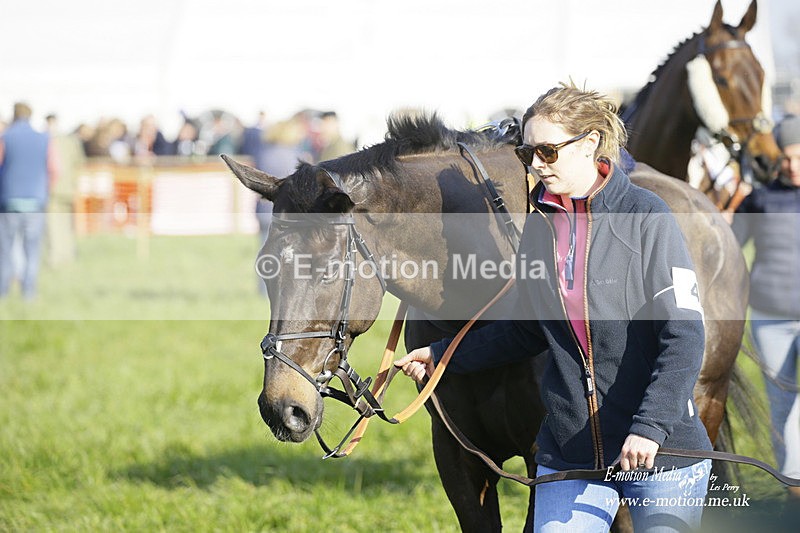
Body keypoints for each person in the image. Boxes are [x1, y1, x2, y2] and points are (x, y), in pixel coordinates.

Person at [395, 83, 713, 531]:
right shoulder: (540, 227)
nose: (537, 166)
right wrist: (445, 354)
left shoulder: (648, 216)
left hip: (663, 453)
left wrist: (651, 426)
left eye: (548, 151)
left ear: (589, 145)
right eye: (528, 154)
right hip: (571, 457)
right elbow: (527, 330)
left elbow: (683, 336)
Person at [731, 114, 800, 501]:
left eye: (799, 156)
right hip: (770, 318)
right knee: (782, 402)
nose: (792, 165)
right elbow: (729, 247)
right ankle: (793, 482)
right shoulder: (760, 199)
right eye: (787, 157)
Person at [0, 102, 58, 300]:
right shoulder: (44, 139)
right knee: (32, 250)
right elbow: (54, 170)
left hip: (8, 201)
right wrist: (44, 191)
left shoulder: (5, 137)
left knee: (6, 249)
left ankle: (3, 292)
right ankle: (29, 293)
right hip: (35, 201)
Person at [44, 114, 84, 267]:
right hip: (69, 187)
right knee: (66, 223)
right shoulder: (71, 141)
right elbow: (79, 162)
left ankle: (56, 257)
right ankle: (67, 255)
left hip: (53, 188)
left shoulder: (47, 140)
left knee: (54, 224)